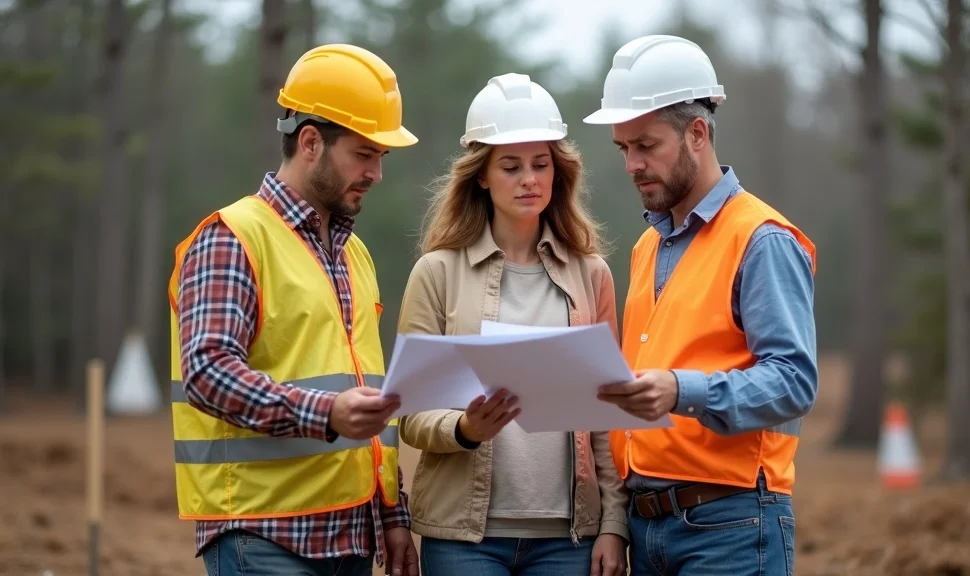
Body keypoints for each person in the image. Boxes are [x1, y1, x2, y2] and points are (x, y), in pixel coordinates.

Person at [167, 44, 420, 576]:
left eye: (381, 156)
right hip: (262, 537)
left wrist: (393, 513)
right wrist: (324, 413)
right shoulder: (232, 237)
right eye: (364, 154)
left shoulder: (355, 254)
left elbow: (367, 392)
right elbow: (207, 372)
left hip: (350, 537)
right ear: (310, 143)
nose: (376, 173)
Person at [584, 35, 818, 575]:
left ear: (697, 133)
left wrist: (680, 390)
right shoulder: (647, 247)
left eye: (646, 145)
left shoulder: (761, 238)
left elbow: (794, 382)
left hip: (733, 525)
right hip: (646, 527)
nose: (632, 164)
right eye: (623, 149)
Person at [395, 72, 629, 576]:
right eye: (511, 166)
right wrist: (464, 429)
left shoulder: (592, 275)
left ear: (557, 171)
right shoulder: (436, 273)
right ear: (481, 174)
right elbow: (411, 416)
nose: (529, 179)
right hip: (464, 541)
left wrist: (614, 523)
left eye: (541, 164)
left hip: (569, 541)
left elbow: (608, 414)